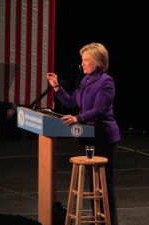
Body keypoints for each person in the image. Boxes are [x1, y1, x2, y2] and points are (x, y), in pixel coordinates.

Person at [47, 42, 120, 225]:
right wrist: (56, 87)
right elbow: (72, 102)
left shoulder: (106, 81)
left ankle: (110, 222)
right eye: (82, 60)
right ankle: (98, 220)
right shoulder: (86, 80)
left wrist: (78, 118)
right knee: (93, 184)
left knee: (104, 184)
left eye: (86, 60)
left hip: (103, 136)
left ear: (97, 62)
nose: (83, 63)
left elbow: (99, 109)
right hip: (89, 136)